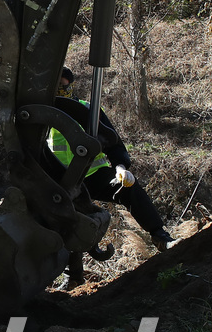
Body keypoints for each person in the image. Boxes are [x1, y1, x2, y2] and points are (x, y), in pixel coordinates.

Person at [48, 66, 174, 255]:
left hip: (94, 176)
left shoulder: (89, 110)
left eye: (62, 85)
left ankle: (161, 237)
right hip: (59, 182)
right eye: (55, 86)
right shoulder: (41, 115)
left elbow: (113, 143)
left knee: (128, 188)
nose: (60, 90)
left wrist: (120, 168)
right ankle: (67, 266)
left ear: (71, 85)